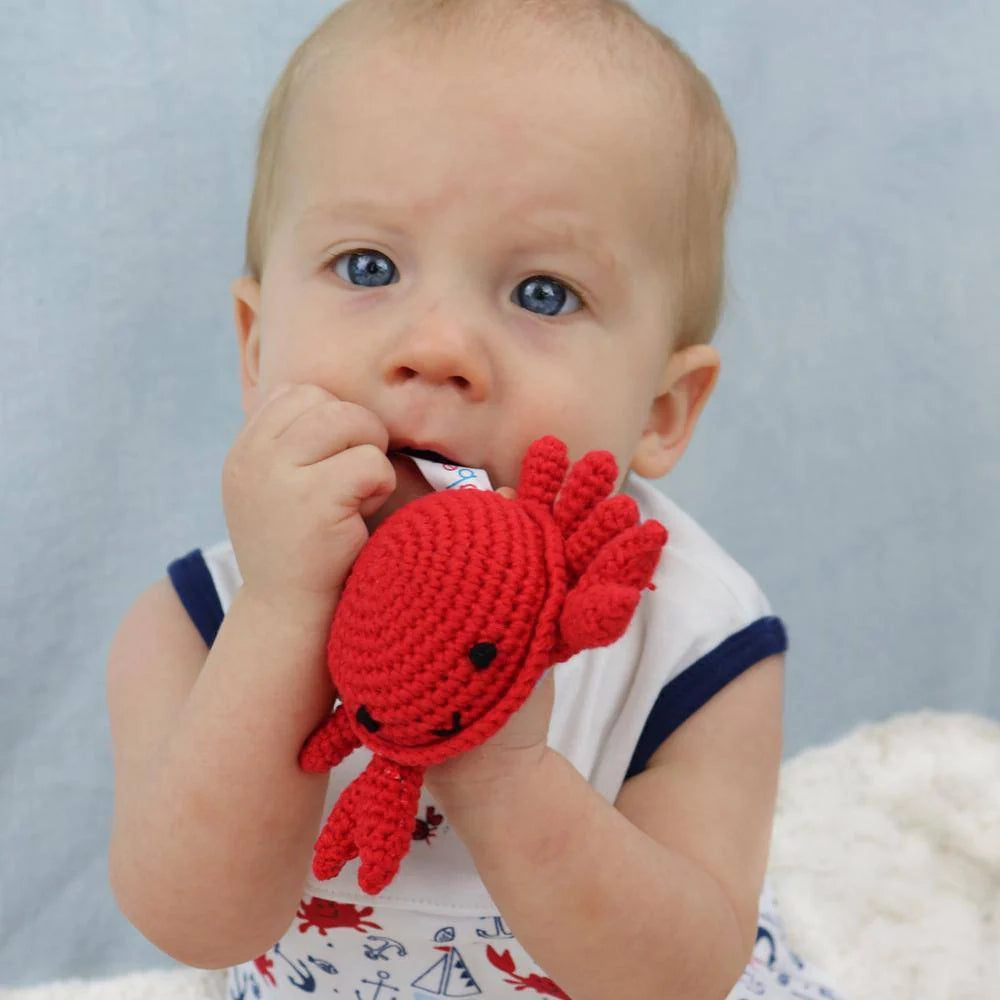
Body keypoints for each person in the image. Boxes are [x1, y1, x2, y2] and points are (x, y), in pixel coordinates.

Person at [107, 1, 843, 998]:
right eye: (367, 267)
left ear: (660, 409)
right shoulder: (195, 620)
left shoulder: (693, 634)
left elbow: (680, 974)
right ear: (254, 346)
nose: (438, 346)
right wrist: (282, 614)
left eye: (543, 292)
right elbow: (197, 921)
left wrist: (504, 769)